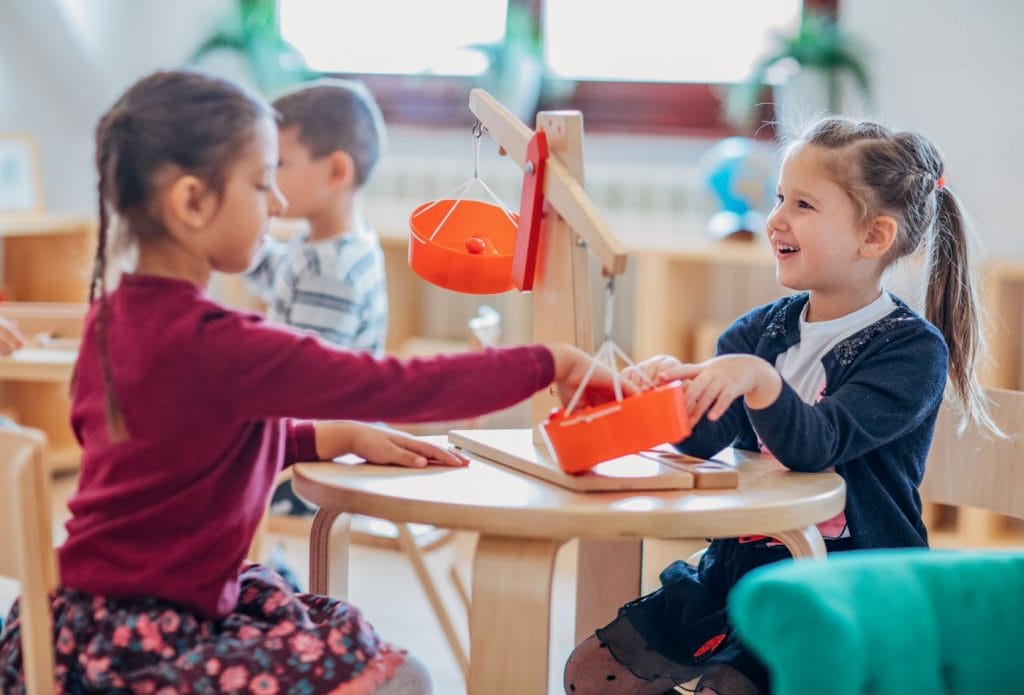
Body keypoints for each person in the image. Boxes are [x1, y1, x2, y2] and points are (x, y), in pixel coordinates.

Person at [0, 69, 629, 694]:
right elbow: (398, 385)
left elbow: (178, 447)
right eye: (259, 182)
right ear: (191, 201)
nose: (276, 203)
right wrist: (553, 361)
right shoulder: (217, 340)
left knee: (378, 657)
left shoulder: (114, 317)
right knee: (402, 677)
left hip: (75, 618)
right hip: (144, 640)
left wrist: (324, 436)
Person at [563, 116, 1000, 695]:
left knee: (733, 685)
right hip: (741, 569)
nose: (776, 220)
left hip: (848, 579)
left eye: (804, 205)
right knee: (594, 672)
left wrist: (759, 382)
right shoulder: (757, 332)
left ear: (874, 238)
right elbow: (700, 442)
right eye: (778, 198)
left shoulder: (911, 350)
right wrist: (668, 395)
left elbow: (816, 445)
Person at [244, 78, 389, 517]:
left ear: (336, 172)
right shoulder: (325, 245)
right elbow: (276, 275)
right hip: (319, 438)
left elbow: (304, 384)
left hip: (323, 459)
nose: (267, 179)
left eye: (279, 164)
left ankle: (260, 573)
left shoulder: (331, 270)